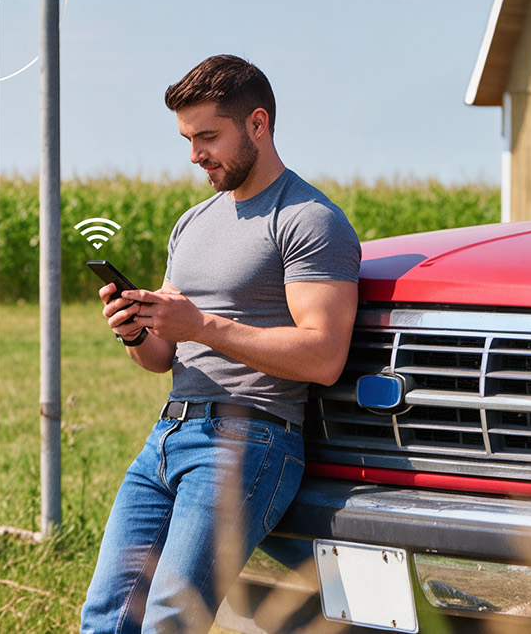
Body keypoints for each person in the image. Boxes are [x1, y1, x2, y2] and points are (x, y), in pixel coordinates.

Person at [79, 55, 362, 634]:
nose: (194, 155)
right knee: (106, 615)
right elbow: (163, 359)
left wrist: (202, 326)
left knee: (168, 621)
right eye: (187, 139)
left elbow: (325, 355)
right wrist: (136, 329)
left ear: (257, 124)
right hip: (169, 434)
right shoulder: (191, 223)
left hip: (248, 441)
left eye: (208, 136)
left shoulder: (308, 220)